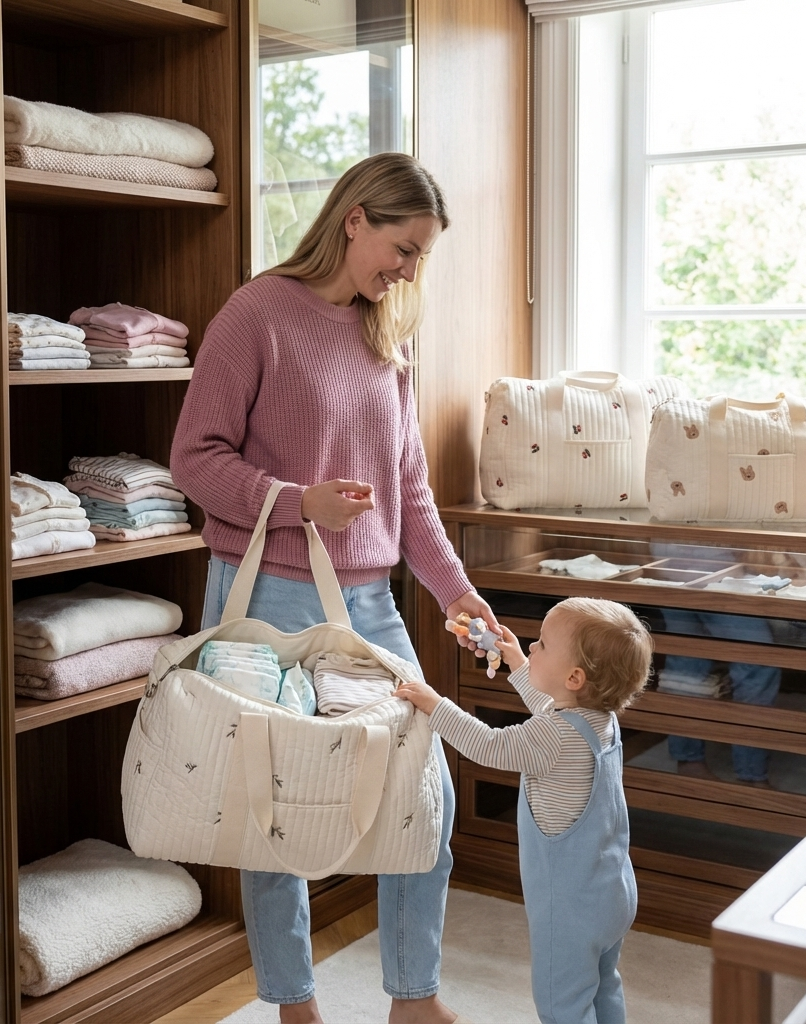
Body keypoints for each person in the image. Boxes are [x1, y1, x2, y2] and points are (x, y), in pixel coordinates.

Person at [170, 151, 498, 1024]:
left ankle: (412, 999)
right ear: (354, 218)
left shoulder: (386, 335)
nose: (410, 269)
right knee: (270, 809)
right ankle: (292, 1004)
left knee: (420, 798)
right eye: (404, 246)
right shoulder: (257, 313)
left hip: (369, 601)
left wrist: (459, 595)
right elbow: (194, 459)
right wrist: (293, 503)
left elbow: (410, 491)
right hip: (268, 597)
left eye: (422, 255)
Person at [397, 597, 653, 1024]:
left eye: (542, 645)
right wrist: (515, 660)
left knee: (562, 1004)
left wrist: (434, 705)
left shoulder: (552, 739)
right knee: (603, 984)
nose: (532, 646)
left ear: (574, 677)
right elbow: (551, 706)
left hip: (569, 904)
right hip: (612, 892)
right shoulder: (600, 723)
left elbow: (489, 744)